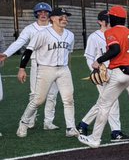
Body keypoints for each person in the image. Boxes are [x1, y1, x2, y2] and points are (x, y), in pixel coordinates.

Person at [77, 5, 129, 149]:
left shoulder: (111, 31)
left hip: (119, 73)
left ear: (113, 18)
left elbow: (115, 49)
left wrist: (99, 60)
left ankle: (95, 139)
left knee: (104, 105)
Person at [1, 7, 76, 138]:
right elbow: (28, 51)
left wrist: (68, 69)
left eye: (66, 17)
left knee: (69, 99)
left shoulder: (70, 35)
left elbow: (68, 54)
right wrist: (22, 68)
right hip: (46, 68)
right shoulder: (43, 34)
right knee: (38, 100)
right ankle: (24, 122)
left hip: (63, 69)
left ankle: (71, 128)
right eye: (61, 17)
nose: (65, 19)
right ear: (53, 18)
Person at [77, 11, 126, 141]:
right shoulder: (94, 37)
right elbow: (89, 57)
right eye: (106, 19)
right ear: (100, 22)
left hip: (115, 72)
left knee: (104, 101)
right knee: (112, 101)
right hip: (102, 74)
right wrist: (96, 72)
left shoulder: (115, 35)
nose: (109, 21)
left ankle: (83, 124)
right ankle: (116, 132)